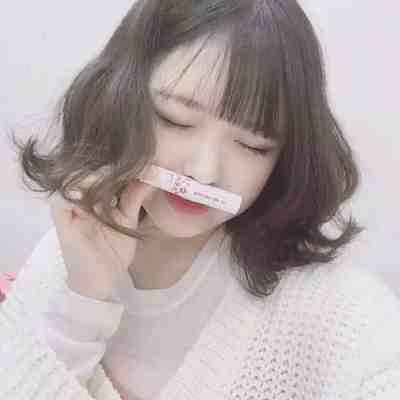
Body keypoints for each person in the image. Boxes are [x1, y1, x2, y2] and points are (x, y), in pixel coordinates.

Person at [3, 0, 400, 399]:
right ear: (118, 96)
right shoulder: (61, 258)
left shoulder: (340, 316)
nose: (204, 173)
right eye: (176, 120)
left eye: (253, 145)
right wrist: (81, 306)